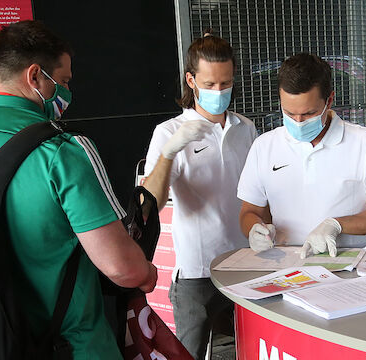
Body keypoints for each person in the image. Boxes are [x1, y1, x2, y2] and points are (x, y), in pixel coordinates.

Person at [0, 20, 156, 359]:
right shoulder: (63, 150)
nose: (68, 92)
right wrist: (147, 273)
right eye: (65, 81)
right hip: (66, 345)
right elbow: (121, 267)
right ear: (35, 76)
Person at [143, 31, 257, 359]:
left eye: (226, 83)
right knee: (189, 353)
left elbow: (257, 191)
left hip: (243, 263)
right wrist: (169, 152)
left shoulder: (245, 128)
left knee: (248, 348)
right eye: (210, 84)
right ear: (191, 80)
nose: (219, 91)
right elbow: (151, 200)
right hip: (197, 269)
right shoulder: (168, 133)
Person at [238, 53, 366, 259]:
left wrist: (337, 225)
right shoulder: (264, 146)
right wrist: (254, 229)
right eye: (289, 113)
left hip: (346, 264)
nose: (298, 121)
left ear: (329, 100)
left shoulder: (365, 143)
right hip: (286, 268)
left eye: (308, 114)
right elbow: (249, 211)